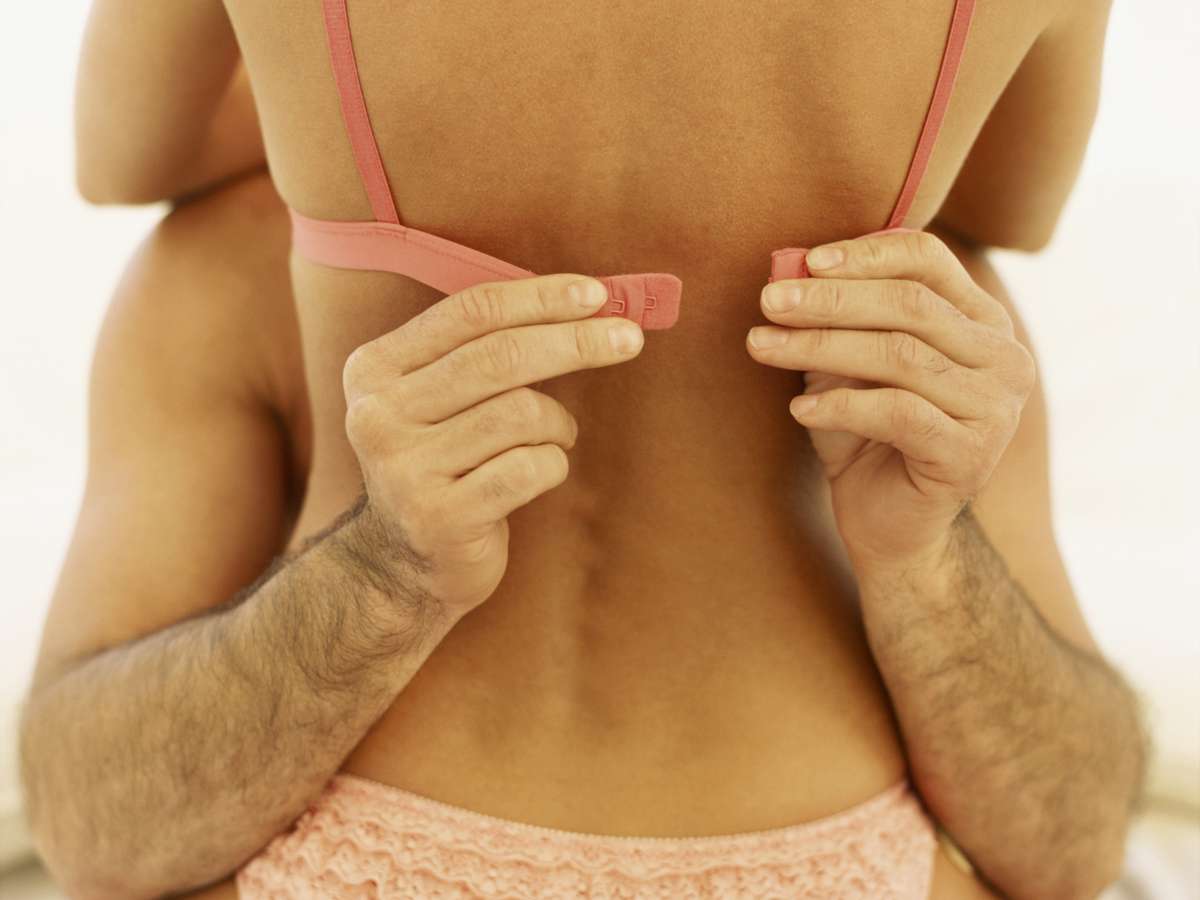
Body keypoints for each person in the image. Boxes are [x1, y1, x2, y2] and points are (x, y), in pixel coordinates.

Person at [19, 0, 1147, 897]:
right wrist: (929, 563)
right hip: (841, 845)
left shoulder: (222, 270)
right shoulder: (938, 314)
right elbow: (1014, 203)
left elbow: (123, 153)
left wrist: (377, 573)